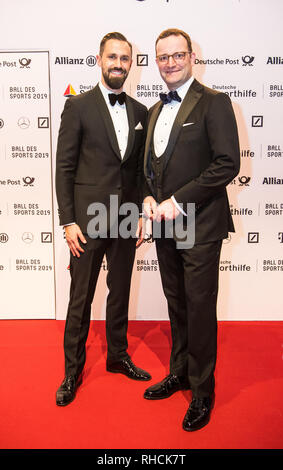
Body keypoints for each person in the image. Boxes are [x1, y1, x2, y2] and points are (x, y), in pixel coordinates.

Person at [142, 28, 240, 431]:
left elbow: (226, 164)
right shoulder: (154, 110)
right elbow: (152, 166)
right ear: (157, 61)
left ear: (191, 57)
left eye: (177, 55)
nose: (170, 63)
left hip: (199, 224)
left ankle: (202, 392)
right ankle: (179, 372)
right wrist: (148, 196)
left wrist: (177, 201)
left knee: (199, 309)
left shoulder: (214, 103)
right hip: (165, 226)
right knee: (177, 303)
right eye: (163, 57)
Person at [55, 32, 150, 407]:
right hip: (87, 219)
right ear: (99, 59)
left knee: (120, 291)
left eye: (125, 59)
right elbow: (64, 167)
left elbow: (141, 173)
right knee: (80, 298)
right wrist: (68, 221)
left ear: (130, 64)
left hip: (126, 216)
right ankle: (71, 371)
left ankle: (117, 355)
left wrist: (142, 210)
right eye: (112, 57)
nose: (118, 64)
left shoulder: (141, 113)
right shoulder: (78, 106)